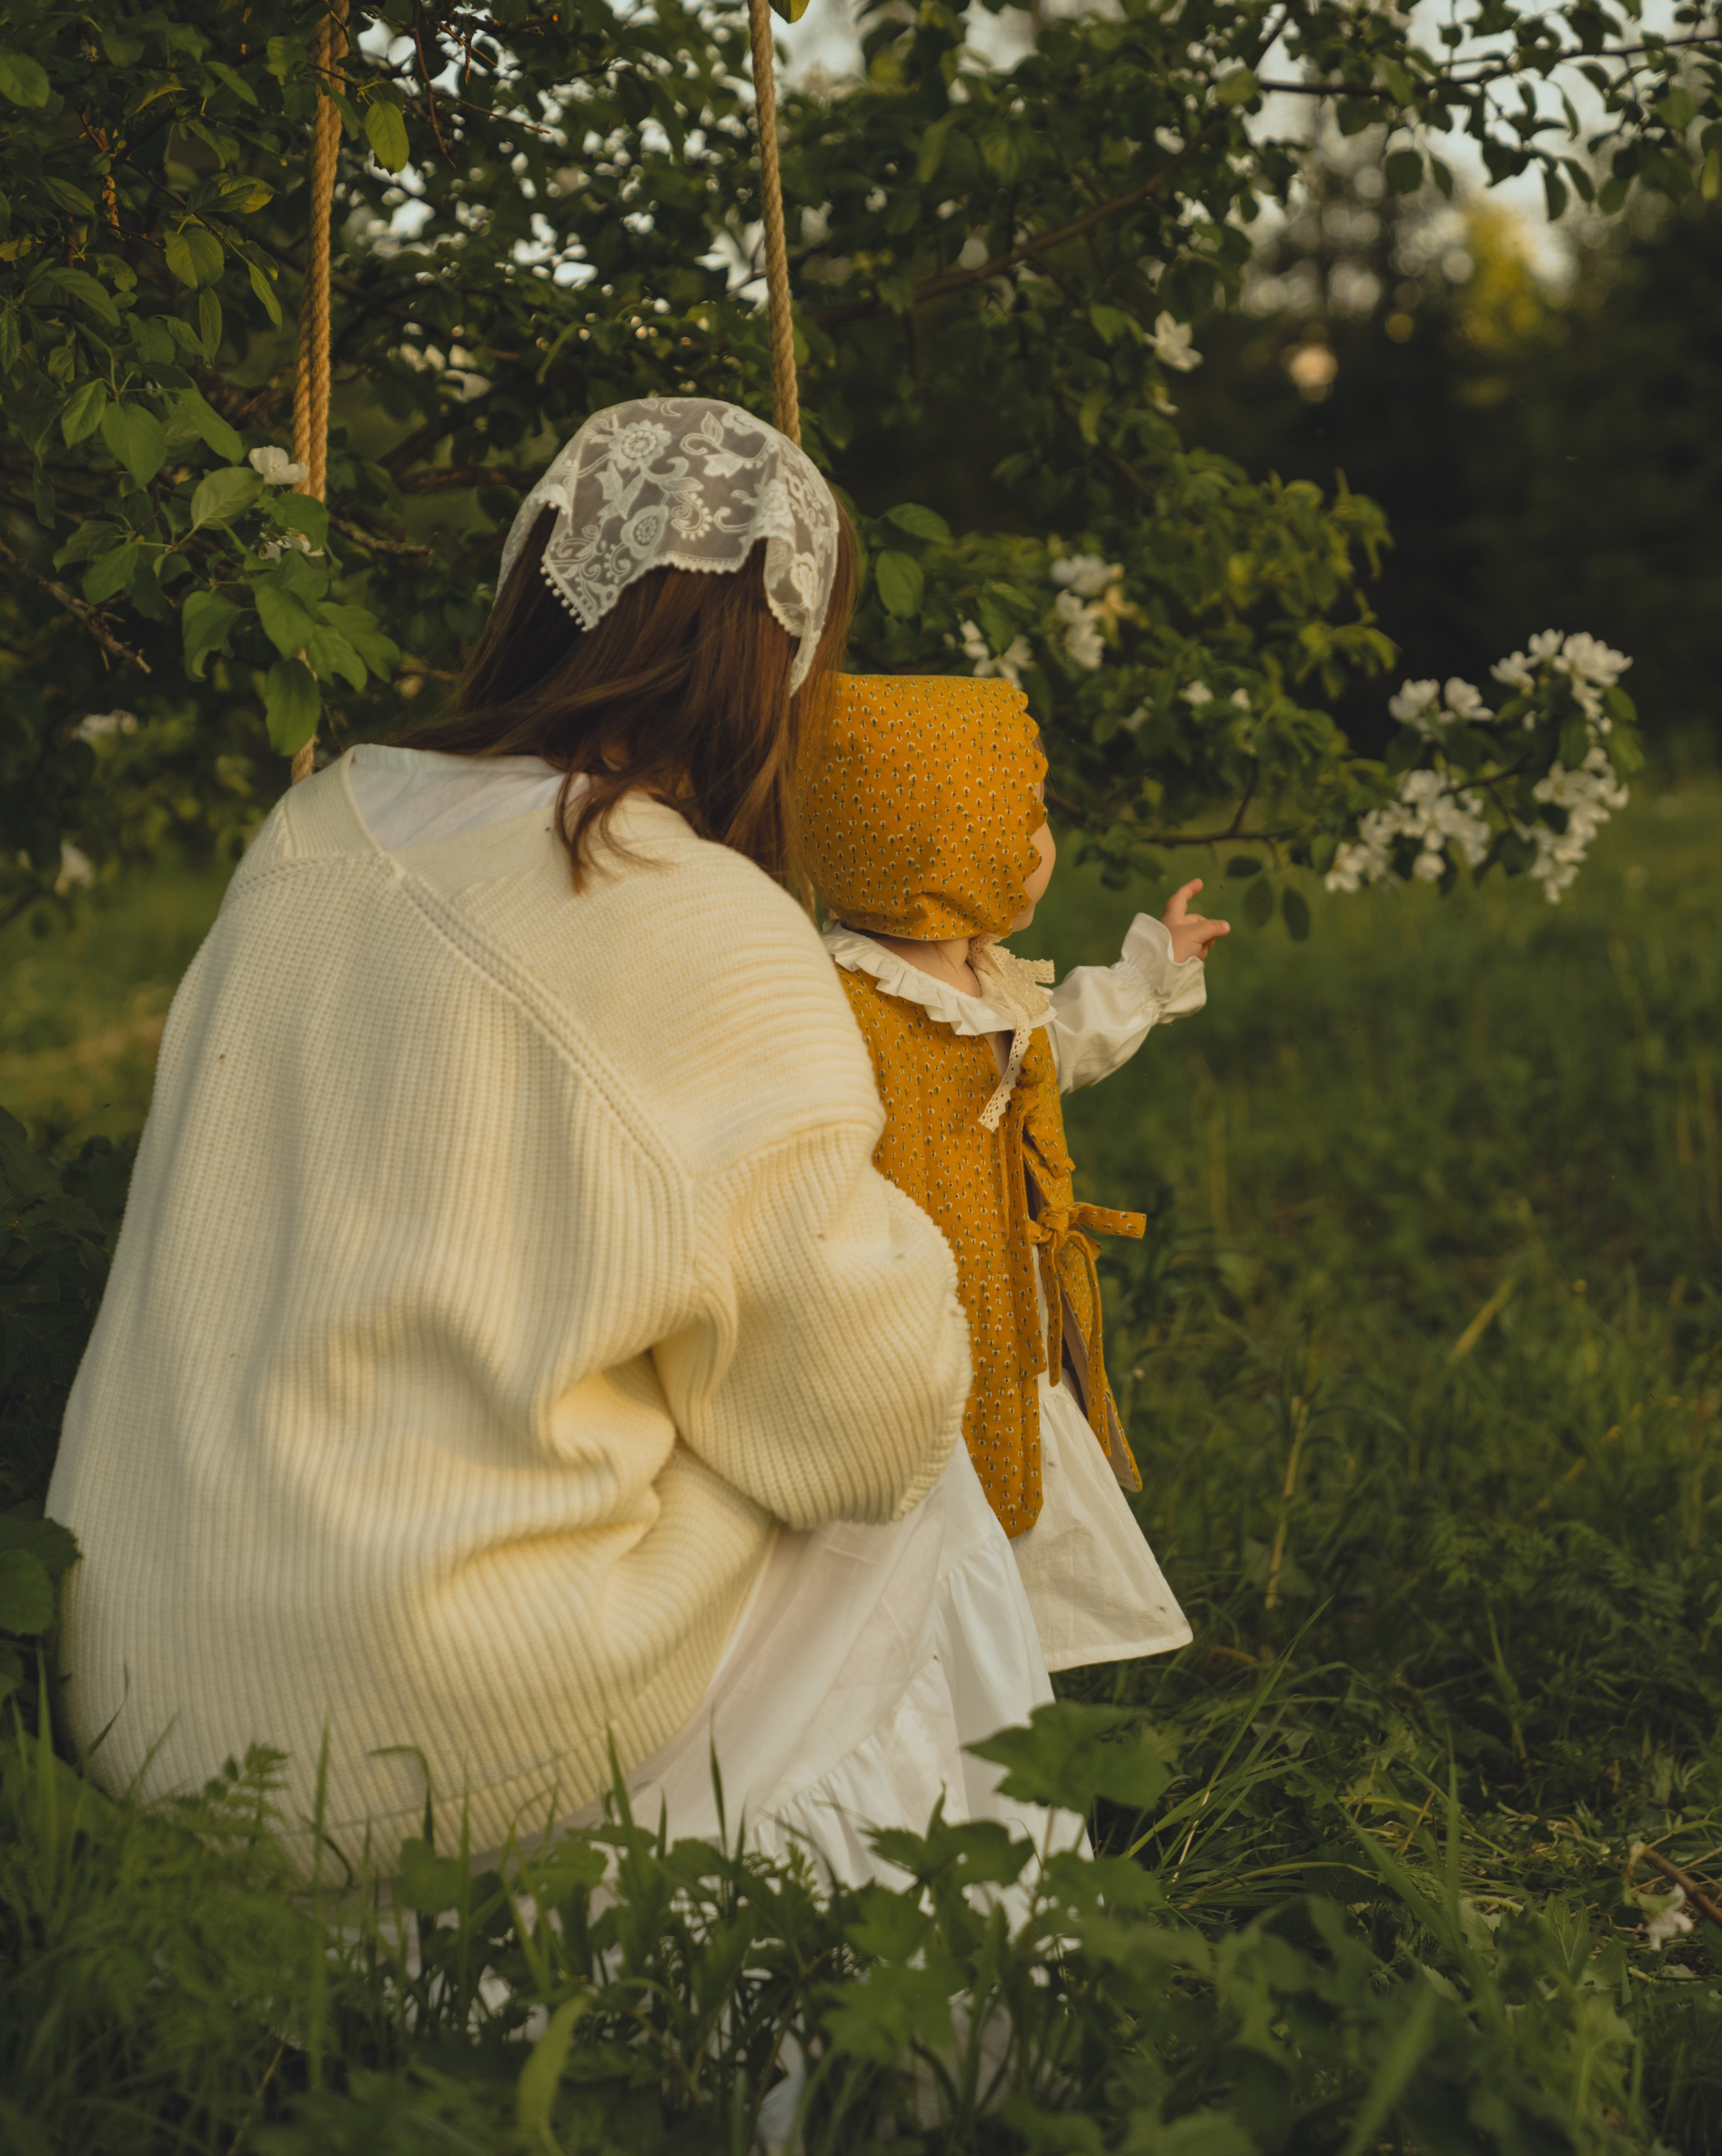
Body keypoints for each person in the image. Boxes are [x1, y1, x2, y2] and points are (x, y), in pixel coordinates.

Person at [47, 402, 1071, 1888]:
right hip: (428, 1716)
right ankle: (878, 1983)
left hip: (143, 1697)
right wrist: (902, 1234)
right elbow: (859, 1434)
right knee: (915, 1471)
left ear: (537, 598)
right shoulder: (698, 913)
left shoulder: (313, 829)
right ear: (776, 661)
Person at [797, 671, 1228, 1675]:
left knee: (1013, 1497)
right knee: (916, 1518)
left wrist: (1149, 974)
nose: (1041, 844)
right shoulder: (844, 999)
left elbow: (1053, 1047)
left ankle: (1001, 1693)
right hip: (906, 1333)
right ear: (941, 836)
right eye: (1021, 818)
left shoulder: (988, 979)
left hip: (1013, 1320)